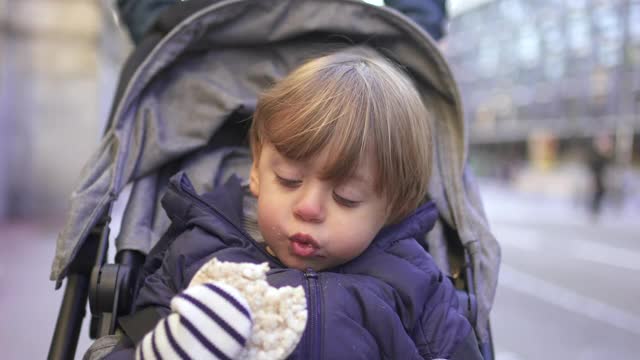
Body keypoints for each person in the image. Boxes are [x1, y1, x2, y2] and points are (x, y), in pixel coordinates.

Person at [112, 49, 481, 360]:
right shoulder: (199, 254)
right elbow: (127, 345)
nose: (309, 208)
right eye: (289, 179)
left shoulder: (413, 286)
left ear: (393, 206)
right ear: (256, 169)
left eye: (346, 198)